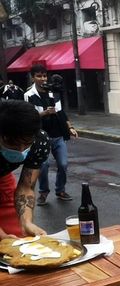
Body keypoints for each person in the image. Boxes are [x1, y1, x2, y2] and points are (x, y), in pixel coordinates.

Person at [0, 100, 50, 286]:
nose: (20, 150)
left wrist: (26, 221)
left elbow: (26, 186)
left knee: (16, 245)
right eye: (12, 143)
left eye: (25, 143)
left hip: (3, 178)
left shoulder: (39, 141)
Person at [24, 64, 78, 206]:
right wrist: (45, 113)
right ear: (33, 77)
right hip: (41, 137)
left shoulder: (53, 92)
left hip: (58, 134)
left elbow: (61, 113)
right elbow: (29, 116)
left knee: (63, 164)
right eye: (39, 76)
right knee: (44, 166)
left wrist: (70, 127)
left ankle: (60, 190)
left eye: (44, 75)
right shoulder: (29, 95)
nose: (42, 78)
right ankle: (43, 192)